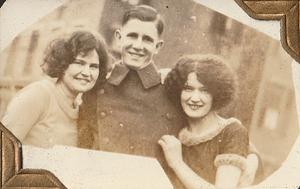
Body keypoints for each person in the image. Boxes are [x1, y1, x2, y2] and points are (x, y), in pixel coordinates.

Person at [77, 4, 186, 184]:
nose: (138, 46)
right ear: (119, 37)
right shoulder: (96, 85)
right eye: (132, 36)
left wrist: (250, 155)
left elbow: (209, 128)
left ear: (158, 46)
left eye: (147, 40)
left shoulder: (173, 90)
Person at [159, 54, 262, 188]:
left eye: (204, 91)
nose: (195, 98)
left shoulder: (231, 131)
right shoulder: (179, 129)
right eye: (188, 89)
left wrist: (177, 164)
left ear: (217, 94)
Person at [1, 30, 108, 148]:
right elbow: (4, 149)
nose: (87, 73)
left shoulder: (80, 110)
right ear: (63, 64)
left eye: (93, 66)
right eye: (79, 63)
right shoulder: (39, 95)